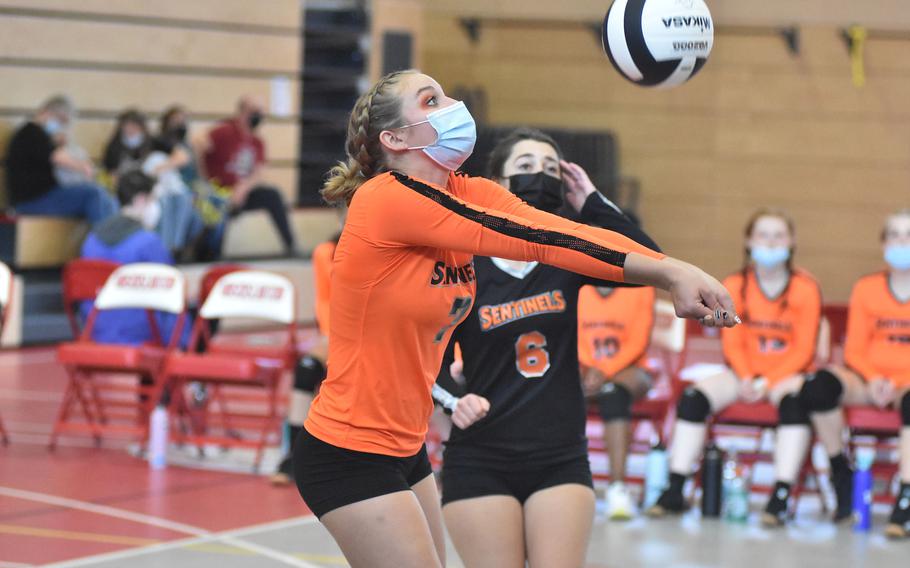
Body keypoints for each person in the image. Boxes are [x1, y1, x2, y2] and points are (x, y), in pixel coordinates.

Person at [290, 69, 738, 568]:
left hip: (406, 444)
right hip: (349, 449)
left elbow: (552, 229)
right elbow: (533, 240)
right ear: (394, 138)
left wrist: (667, 268)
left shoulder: (469, 191)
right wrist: (670, 273)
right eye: (431, 100)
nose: (453, 104)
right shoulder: (384, 199)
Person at [429, 127, 660, 568]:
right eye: (527, 167)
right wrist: (453, 399)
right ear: (496, 185)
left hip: (559, 458)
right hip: (480, 457)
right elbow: (426, 359)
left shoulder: (565, 255)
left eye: (551, 169)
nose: (541, 176)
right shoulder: (462, 264)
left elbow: (650, 262)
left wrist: (591, 203)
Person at [647, 209, 854, 526]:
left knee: (795, 404)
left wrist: (767, 381)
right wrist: (746, 377)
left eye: (778, 236)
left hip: (786, 376)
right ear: (748, 241)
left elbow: (803, 347)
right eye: (763, 235)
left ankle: (779, 496)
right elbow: (732, 336)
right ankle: (675, 489)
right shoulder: (732, 284)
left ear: (791, 242)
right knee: (692, 399)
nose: (770, 243)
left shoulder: (806, 288)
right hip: (742, 372)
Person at [823, 209, 910, 538]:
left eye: (909, 235)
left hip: (907, 386)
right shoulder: (867, 288)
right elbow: (855, 350)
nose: (903, 242)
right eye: (896, 235)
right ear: (884, 244)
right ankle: (840, 474)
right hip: (868, 380)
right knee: (820, 386)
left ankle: (905, 497)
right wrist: (874, 379)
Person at [578, 282, 656, 519]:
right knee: (560, 392)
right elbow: (569, 332)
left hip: (630, 369)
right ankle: (560, 482)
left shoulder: (641, 288)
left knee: (613, 393)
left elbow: (639, 341)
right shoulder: (577, 284)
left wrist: (605, 370)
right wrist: (590, 368)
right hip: (584, 368)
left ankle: (617, 488)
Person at [79, 170, 183, 346]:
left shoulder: (91, 240)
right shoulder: (148, 242)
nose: (157, 207)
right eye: (154, 200)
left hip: (95, 330)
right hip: (139, 332)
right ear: (141, 199)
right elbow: (172, 295)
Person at [271, 229, 339, 485]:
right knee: (307, 366)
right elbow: (325, 301)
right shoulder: (326, 252)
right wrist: (332, 336)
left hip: (380, 334)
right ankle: (295, 454)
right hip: (339, 332)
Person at [198, 96, 296, 256]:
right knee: (216, 206)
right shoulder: (224, 131)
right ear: (243, 112)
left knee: (272, 195)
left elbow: (260, 172)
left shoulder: (257, 141)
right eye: (255, 112)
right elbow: (198, 143)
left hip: (240, 195)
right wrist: (205, 180)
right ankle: (208, 253)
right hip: (218, 193)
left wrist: (243, 188)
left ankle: (290, 246)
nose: (259, 117)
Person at [4, 95, 116, 224]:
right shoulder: (31, 133)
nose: (61, 126)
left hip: (44, 196)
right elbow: (58, 158)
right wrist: (85, 167)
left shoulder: (42, 136)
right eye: (61, 120)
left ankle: (119, 236)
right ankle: (107, 240)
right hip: (31, 201)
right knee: (93, 194)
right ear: (48, 112)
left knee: (105, 196)